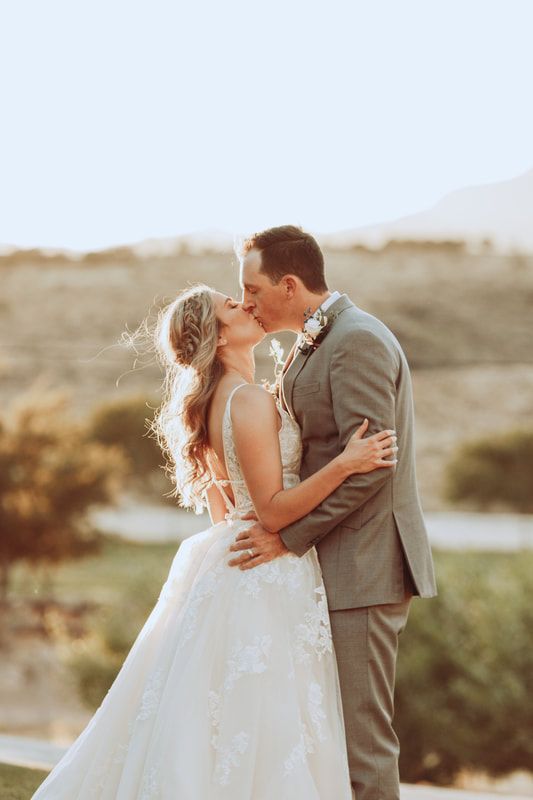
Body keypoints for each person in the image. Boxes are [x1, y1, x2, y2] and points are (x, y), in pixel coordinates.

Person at [32, 282, 398, 799]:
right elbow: (270, 512)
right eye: (233, 305)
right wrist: (345, 464)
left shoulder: (211, 401)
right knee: (267, 718)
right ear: (219, 337)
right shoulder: (245, 399)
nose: (247, 304)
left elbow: (224, 509)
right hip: (265, 573)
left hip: (232, 561)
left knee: (223, 722)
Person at [229, 224, 438, 800]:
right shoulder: (313, 340)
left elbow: (372, 468)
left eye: (253, 290)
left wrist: (287, 536)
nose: (247, 303)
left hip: (366, 566)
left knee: (361, 741)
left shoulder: (358, 341)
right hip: (334, 564)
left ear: (289, 284)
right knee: (329, 734)